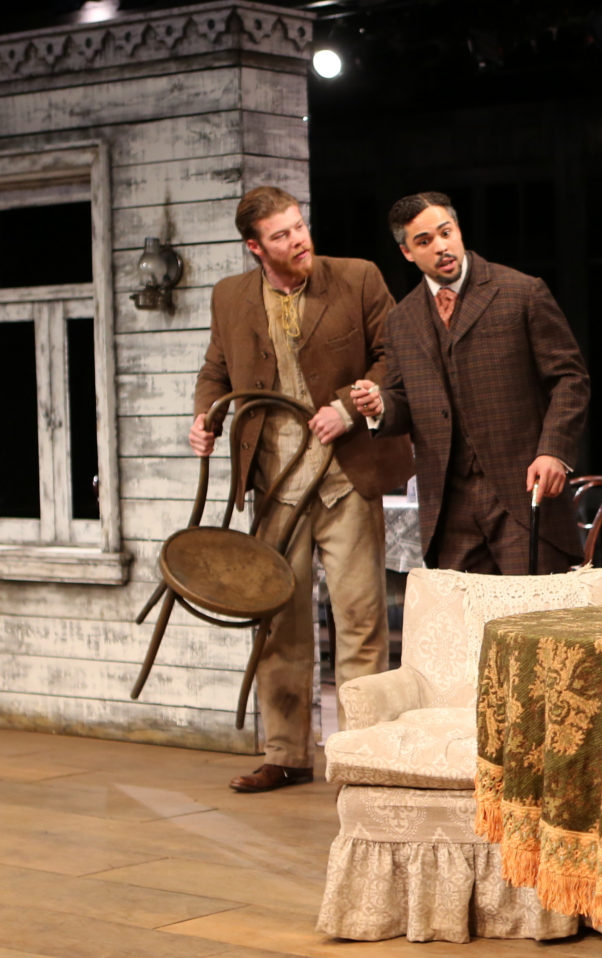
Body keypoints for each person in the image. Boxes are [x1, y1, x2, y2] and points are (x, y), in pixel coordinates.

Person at [192, 186, 412, 793]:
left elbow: (395, 355)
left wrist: (349, 407)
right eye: (282, 235)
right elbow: (215, 369)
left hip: (345, 479)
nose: (298, 240)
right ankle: (287, 754)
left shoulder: (357, 278)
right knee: (278, 624)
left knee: (360, 619)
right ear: (255, 247)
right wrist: (205, 416)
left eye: (299, 226)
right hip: (274, 484)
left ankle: (361, 757)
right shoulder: (230, 296)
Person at [352, 192, 589, 573]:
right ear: (407, 253)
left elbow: (570, 378)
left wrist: (553, 451)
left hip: (521, 490)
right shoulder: (401, 320)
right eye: (424, 241)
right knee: (463, 612)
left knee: (534, 608)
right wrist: (381, 407)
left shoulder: (521, 292)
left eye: (446, 232)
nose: (441, 247)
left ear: (458, 230)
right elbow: (401, 398)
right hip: (450, 506)